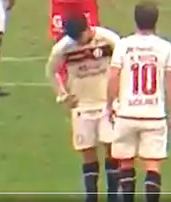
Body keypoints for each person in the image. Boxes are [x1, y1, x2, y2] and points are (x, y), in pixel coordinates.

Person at [107, 1, 171, 202]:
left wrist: (109, 104)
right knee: (153, 164)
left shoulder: (124, 44)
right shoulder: (165, 47)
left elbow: (113, 77)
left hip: (126, 113)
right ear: (156, 21)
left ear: (135, 20)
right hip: (154, 115)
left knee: (126, 163)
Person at [45, 16, 122, 201]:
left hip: (107, 104)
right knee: (87, 151)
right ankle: (91, 196)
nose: (78, 42)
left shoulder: (109, 39)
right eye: (74, 39)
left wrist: (120, 93)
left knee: (111, 149)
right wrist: (62, 95)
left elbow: (122, 63)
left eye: (80, 37)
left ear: (88, 28)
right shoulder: (63, 47)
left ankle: (113, 195)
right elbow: (51, 70)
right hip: (82, 106)